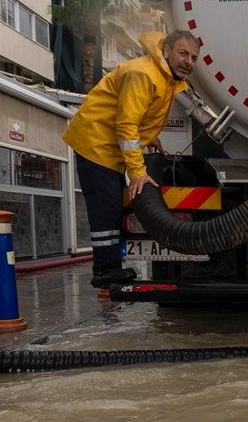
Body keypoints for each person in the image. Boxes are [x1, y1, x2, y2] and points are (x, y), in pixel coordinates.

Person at [61, 30, 200, 287]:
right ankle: (104, 271)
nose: (189, 61)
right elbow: (126, 126)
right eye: (183, 53)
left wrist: (150, 138)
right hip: (96, 144)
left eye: (193, 57)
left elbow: (140, 117)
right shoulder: (143, 74)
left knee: (111, 206)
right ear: (166, 51)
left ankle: (109, 266)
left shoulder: (166, 77)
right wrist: (137, 171)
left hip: (107, 146)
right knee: (107, 208)